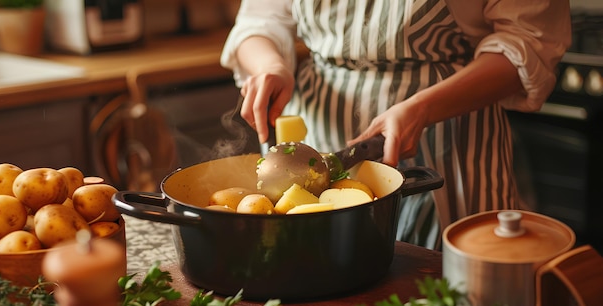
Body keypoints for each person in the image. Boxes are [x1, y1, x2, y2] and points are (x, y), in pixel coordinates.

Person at [220, 0, 572, 249]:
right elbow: (259, 23)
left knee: (450, 287)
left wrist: (422, 108)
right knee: (317, 269)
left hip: (449, 134)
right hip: (318, 129)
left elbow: (528, 43)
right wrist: (270, 66)